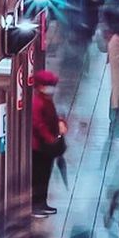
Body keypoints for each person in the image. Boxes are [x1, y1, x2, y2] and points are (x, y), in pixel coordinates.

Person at [32, 69, 65, 217]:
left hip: (46, 147)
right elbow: (38, 124)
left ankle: (42, 203)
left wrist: (60, 124)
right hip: (39, 147)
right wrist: (50, 139)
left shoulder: (47, 100)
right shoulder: (38, 103)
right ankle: (36, 205)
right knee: (39, 177)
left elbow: (53, 118)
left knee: (45, 176)